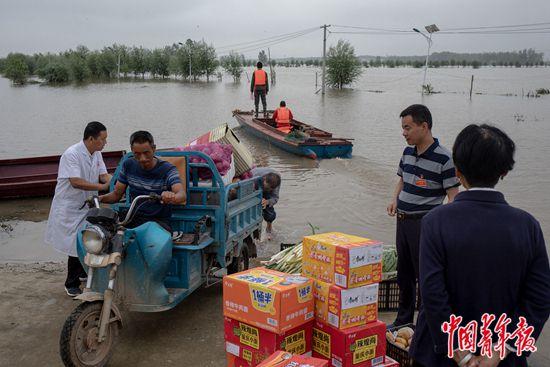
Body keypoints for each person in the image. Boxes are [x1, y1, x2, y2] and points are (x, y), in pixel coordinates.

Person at [410, 124, 550, 367]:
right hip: (501, 356)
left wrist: (460, 353)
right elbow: (540, 297)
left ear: (457, 169)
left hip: (440, 356)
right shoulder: (528, 226)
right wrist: (503, 348)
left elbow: (432, 293)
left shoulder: (435, 221)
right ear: (504, 172)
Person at [387, 104, 459, 328]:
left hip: (424, 226)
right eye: (403, 128)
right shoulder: (407, 152)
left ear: (424, 126)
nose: (404, 133)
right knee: (404, 275)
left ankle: (427, 325)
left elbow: (453, 197)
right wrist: (394, 200)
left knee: (426, 277)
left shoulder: (445, 159)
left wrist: (443, 228)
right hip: (403, 221)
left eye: (408, 128)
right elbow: (402, 179)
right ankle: (403, 321)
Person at [45, 121, 112, 297]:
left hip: (86, 205)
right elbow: (75, 182)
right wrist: (102, 187)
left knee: (88, 239)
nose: (105, 143)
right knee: (74, 245)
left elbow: (104, 175)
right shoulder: (72, 154)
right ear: (91, 138)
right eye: (102, 139)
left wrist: (115, 181)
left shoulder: (96, 153)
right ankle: (71, 283)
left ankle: (82, 273)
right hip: (70, 206)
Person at [99, 131, 186, 231]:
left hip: (158, 221)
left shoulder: (168, 169)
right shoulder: (128, 165)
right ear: (132, 150)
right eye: (137, 154)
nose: (142, 159)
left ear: (154, 149)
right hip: (132, 217)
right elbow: (116, 194)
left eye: (146, 153)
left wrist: (171, 196)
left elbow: (182, 194)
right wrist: (99, 198)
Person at [251, 167, 281, 239]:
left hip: (267, 189)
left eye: (270, 189)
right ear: (264, 179)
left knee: (269, 211)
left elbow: (275, 198)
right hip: (254, 184)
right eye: (267, 188)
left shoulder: (276, 182)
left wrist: (267, 202)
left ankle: (269, 228)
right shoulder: (254, 176)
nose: (268, 189)